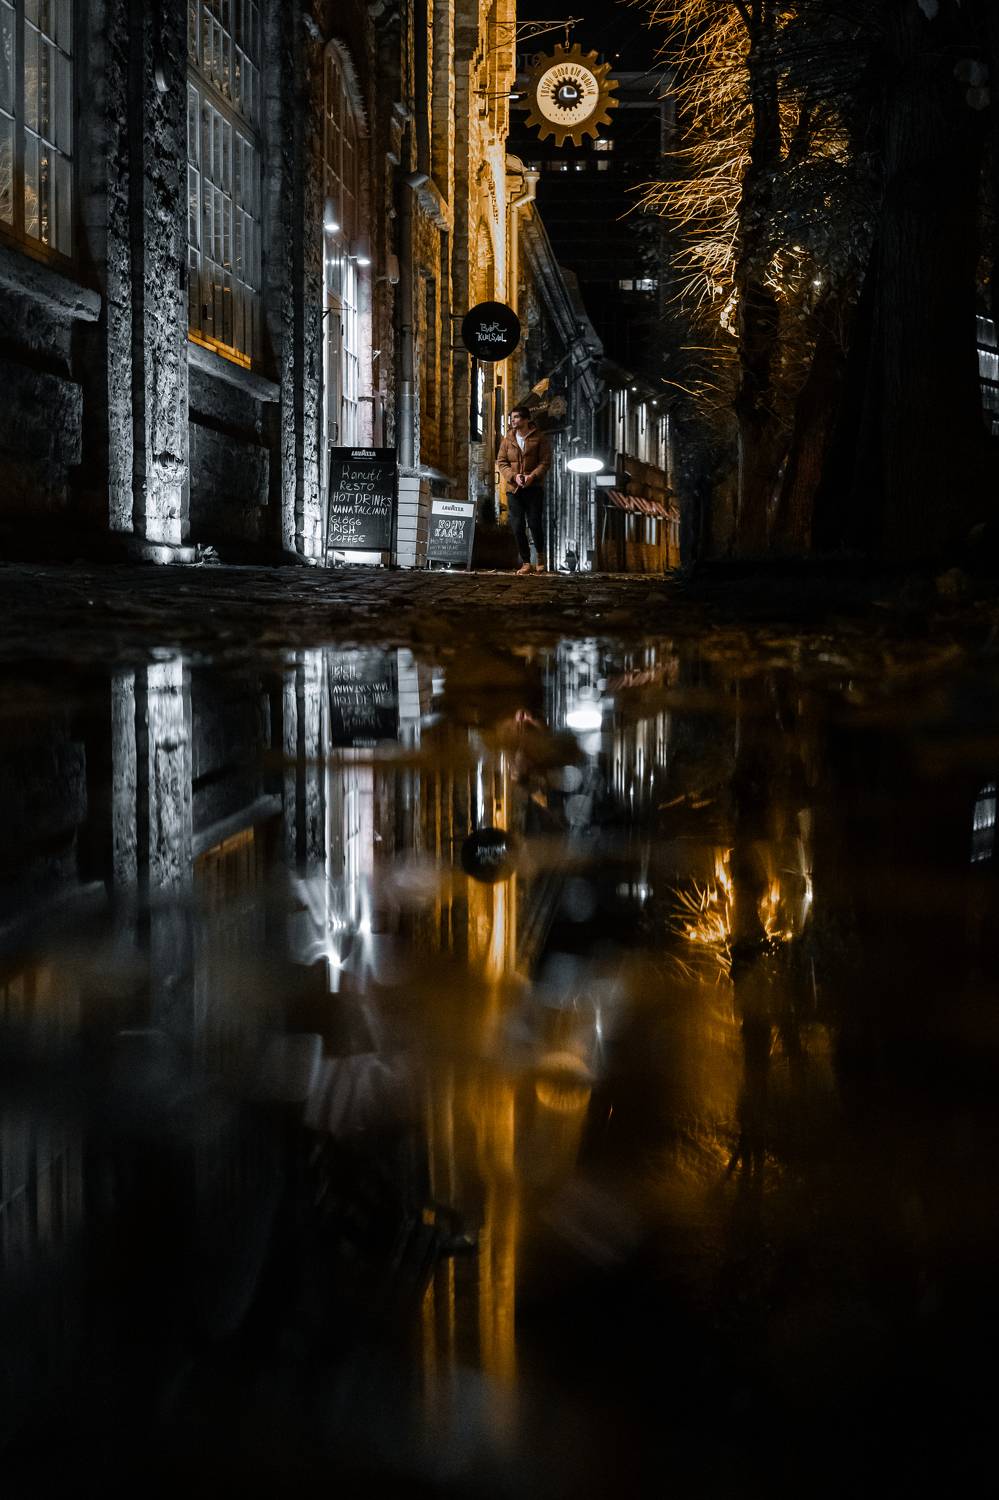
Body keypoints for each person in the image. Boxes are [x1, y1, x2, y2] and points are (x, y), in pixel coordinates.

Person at [496, 405, 552, 575]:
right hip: (514, 489)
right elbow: (502, 462)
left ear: (526, 419)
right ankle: (526, 562)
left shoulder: (539, 438)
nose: (513, 420)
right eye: (511, 417)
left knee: (534, 523)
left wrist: (532, 476)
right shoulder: (507, 440)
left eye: (516, 417)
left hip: (533, 488)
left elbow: (545, 461)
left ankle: (540, 556)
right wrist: (514, 476)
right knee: (517, 525)